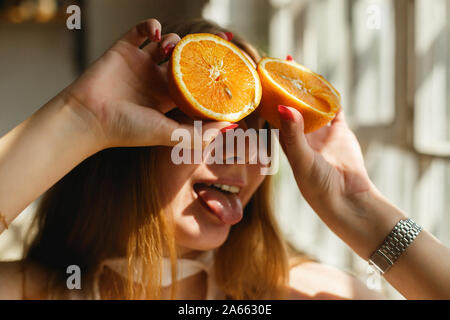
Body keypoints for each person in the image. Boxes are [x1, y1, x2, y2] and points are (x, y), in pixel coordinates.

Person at [0, 18, 449, 300]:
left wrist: (360, 210)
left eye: (260, 132)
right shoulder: (33, 290)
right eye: (211, 124)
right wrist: (78, 119)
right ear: (125, 147)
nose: (247, 156)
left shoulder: (306, 292)